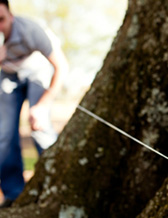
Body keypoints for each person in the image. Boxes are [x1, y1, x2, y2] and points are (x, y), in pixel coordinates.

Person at [0, 0, 68, 208]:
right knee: (3, 134)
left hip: (38, 72)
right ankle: (15, 195)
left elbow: (61, 67)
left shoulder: (31, 30)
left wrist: (42, 106)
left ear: (10, 16)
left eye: (0, 19)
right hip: (8, 77)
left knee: (40, 127)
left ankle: (57, 184)